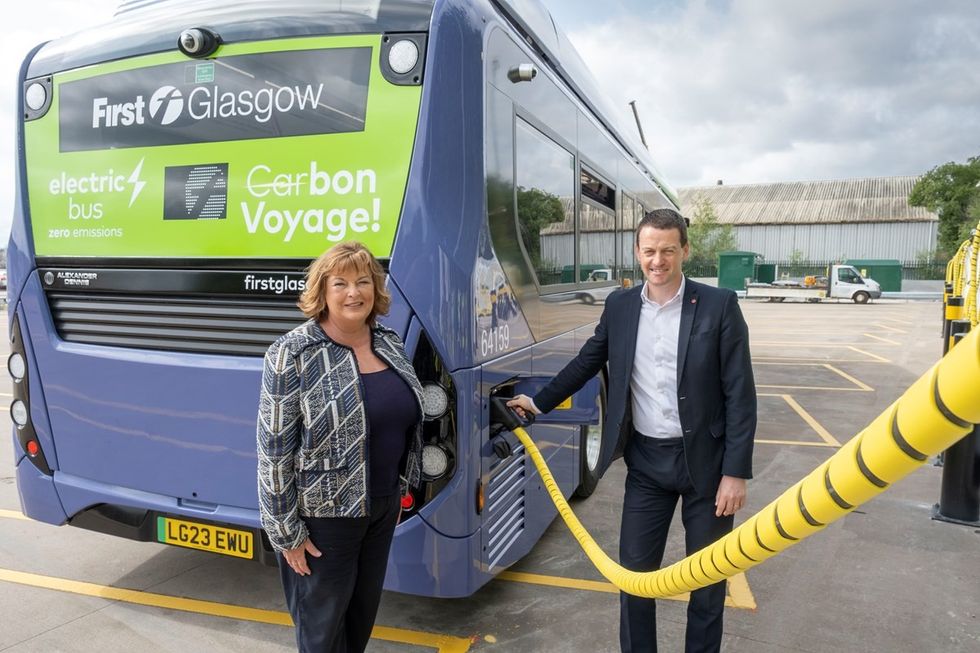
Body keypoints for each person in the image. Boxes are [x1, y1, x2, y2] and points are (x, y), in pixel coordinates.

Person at [508, 208, 756, 653]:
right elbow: (588, 360)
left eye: (667, 250)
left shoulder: (719, 306)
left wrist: (735, 472)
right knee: (635, 578)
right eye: (648, 251)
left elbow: (740, 392)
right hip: (647, 463)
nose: (657, 260)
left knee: (708, 581)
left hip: (710, 466)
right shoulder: (621, 306)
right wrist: (539, 401)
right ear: (637, 253)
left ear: (685, 250)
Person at [256, 241, 424, 653]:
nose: (354, 293)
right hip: (324, 518)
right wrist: (286, 532)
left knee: (360, 618)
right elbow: (273, 450)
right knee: (323, 632)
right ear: (322, 292)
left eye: (363, 281)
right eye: (341, 283)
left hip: (382, 506)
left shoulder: (388, 341)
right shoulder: (293, 352)